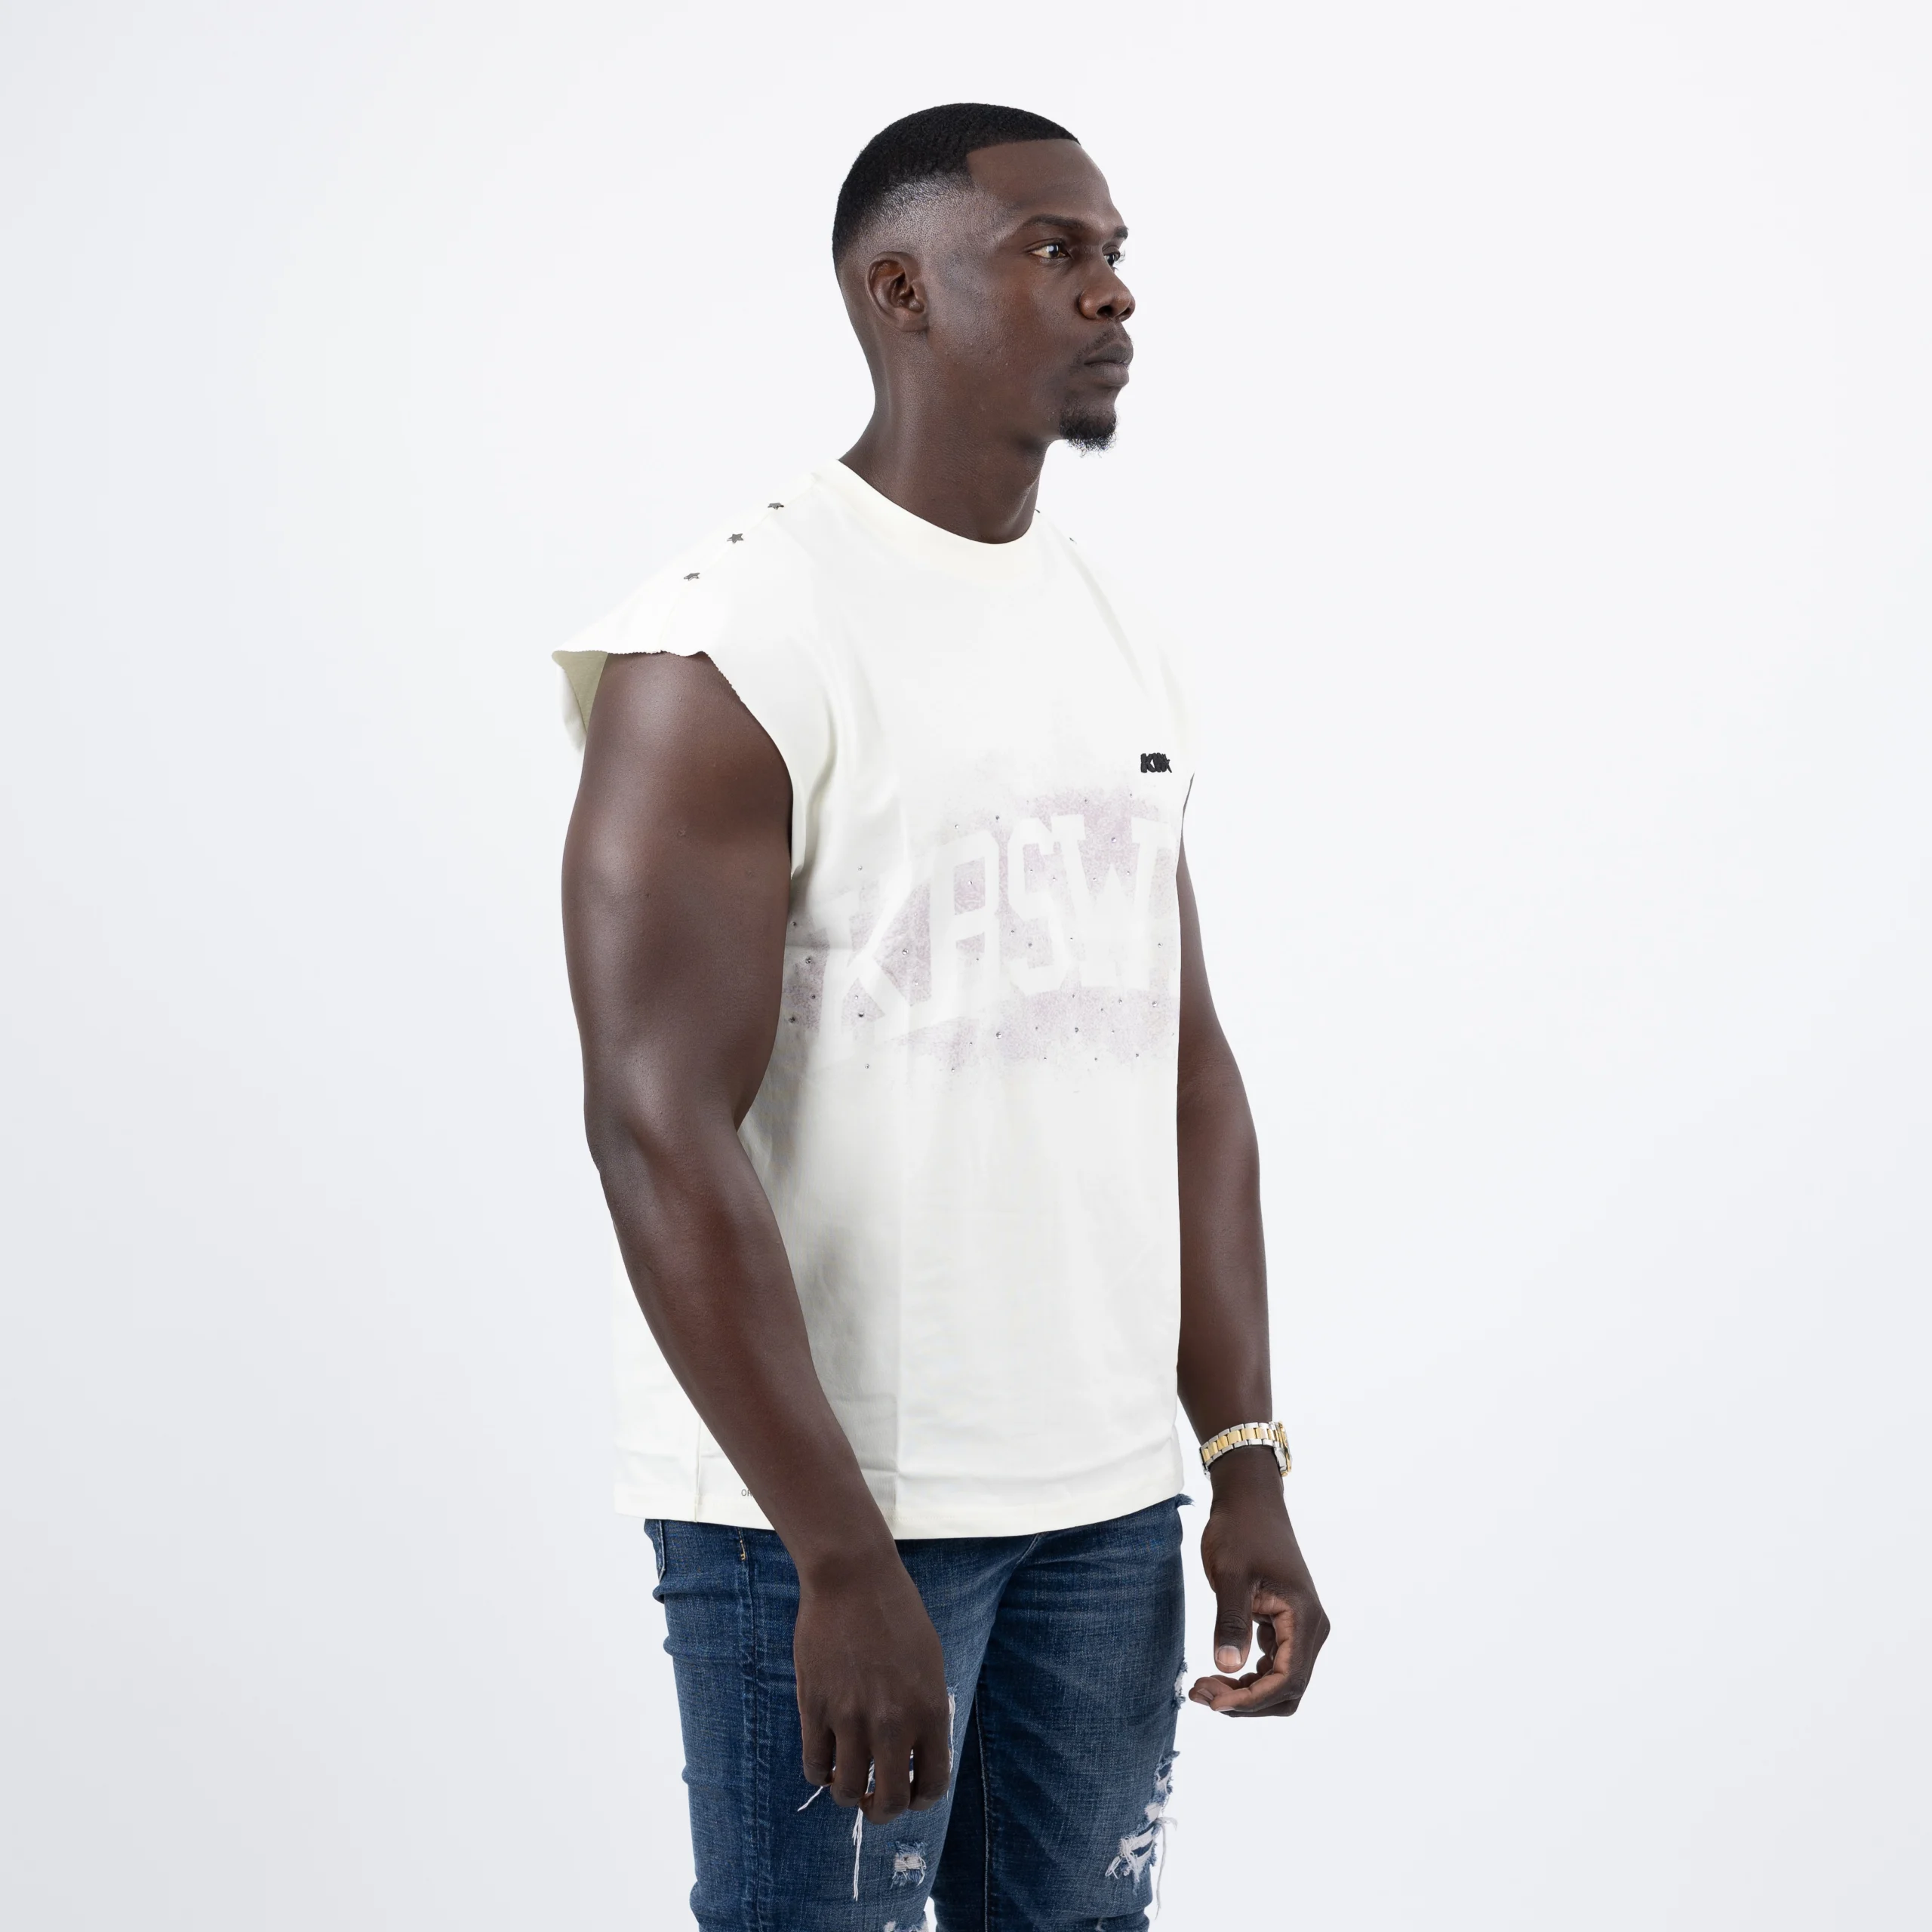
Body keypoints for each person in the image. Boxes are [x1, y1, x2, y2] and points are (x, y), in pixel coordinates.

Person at [555, 102, 1328, 1930]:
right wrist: (837, 1550)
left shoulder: (1115, 631)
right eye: (1054, 251)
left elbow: (1181, 1065)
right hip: (824, 1513)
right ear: (897, 291)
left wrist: (1239, 1460)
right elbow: (655, 1124)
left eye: (1114, 253)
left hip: (1103, 1503)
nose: (1111, 290)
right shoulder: (728, 640)